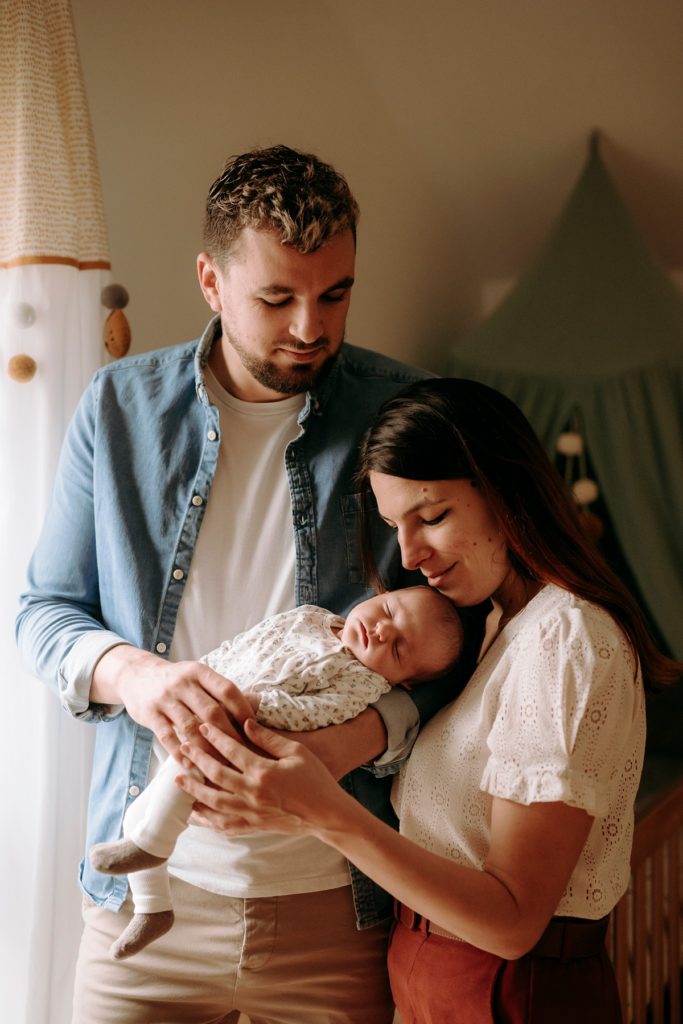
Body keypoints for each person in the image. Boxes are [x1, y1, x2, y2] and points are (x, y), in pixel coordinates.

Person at [16, 147, 473, 1024]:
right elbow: (44, 612)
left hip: (341, 907)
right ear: (210, 281)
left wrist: (361, 738)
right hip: (145, 909)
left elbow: (462, 640)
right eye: (276, 298)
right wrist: (137, 677)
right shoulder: (117, 410)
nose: (310, 326)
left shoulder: (408, 411)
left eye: (335, 294)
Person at [174, 377, 682, 1024]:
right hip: (430, 971)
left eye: (433, 517)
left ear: (505, 490)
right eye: (394, 527)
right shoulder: (494, 625)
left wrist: (322, 809)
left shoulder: (567, 637)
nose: (410, 556)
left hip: (505, 987)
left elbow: (513, 922)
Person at [90, 586, 464, 960]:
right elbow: (254, 640)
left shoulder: (363, 682)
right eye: (388, 610)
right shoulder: (312, 617)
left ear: (403, 682)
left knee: (184, 772)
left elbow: (313, 713)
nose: (382, 631)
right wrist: (208, 670)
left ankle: (152, 848)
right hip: (218, 697)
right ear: (379, 594)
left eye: (397, 649)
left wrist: (252, 705)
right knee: (138, 815)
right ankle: (153, 908)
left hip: (250, 728)